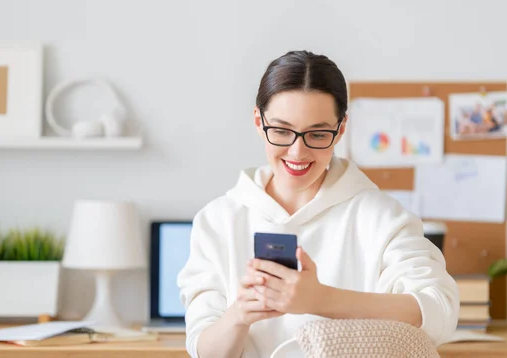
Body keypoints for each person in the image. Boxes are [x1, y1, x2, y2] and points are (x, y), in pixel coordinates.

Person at [177, 50, 459, 358]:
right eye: (282, 131)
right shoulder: (218, 221)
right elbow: (204, 350)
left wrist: (321, 299)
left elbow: (439, 313)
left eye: (318, 133)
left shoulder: (379, 216)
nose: (298, 152)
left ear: (340, 129)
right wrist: (239, 315)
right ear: (259, 122)